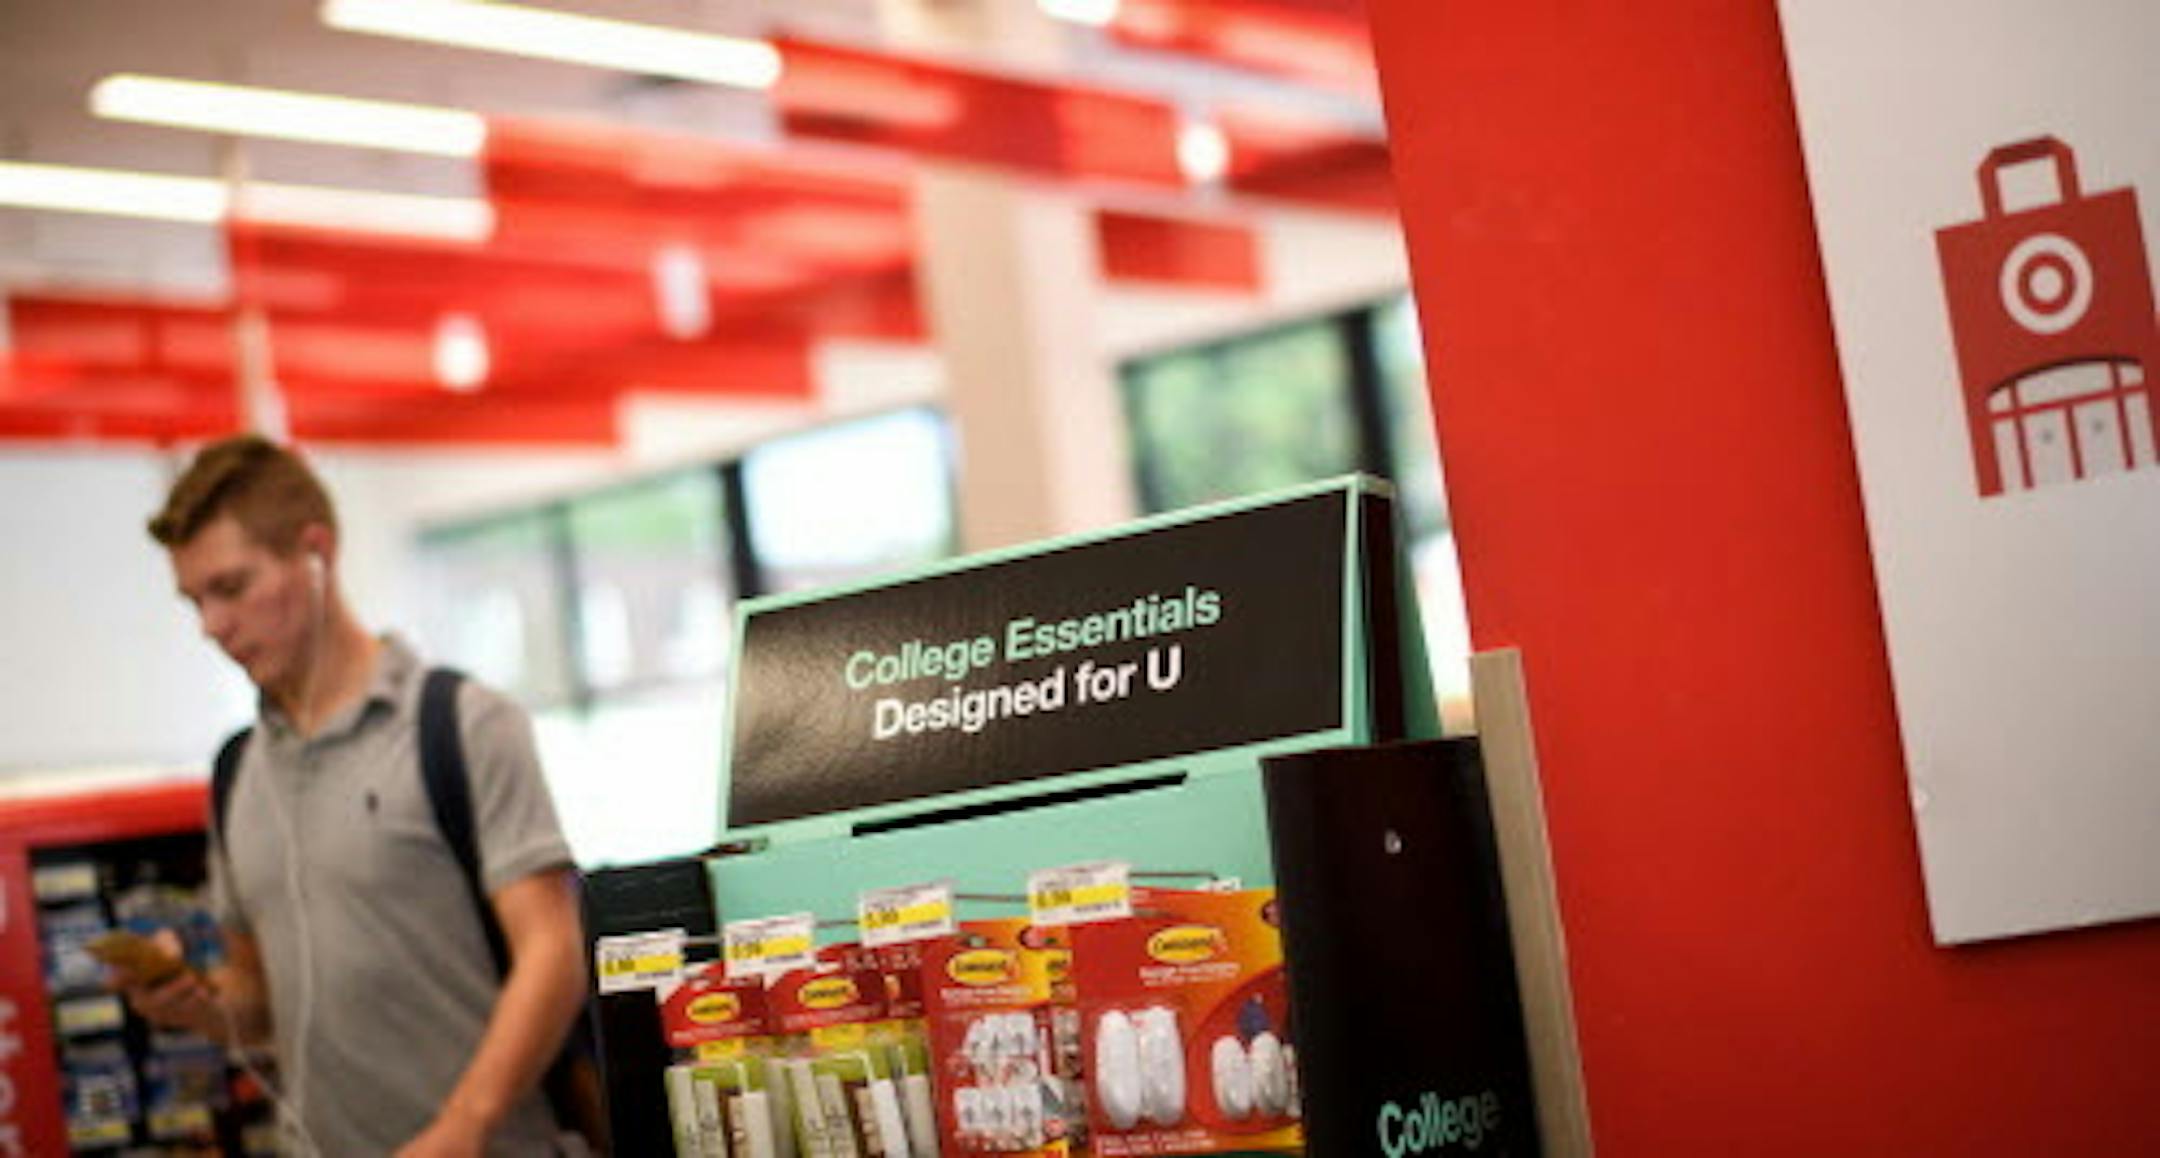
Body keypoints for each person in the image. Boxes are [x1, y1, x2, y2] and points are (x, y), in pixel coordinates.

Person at [122, 433, 590, 1157]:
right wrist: (197, 1005)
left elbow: (554, 950)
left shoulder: (462, 724)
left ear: (317, 553)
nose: (212, 626)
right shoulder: (237, 772)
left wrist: (463, 1127)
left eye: (232, 587)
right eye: (195, 601)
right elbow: (263, 1003)